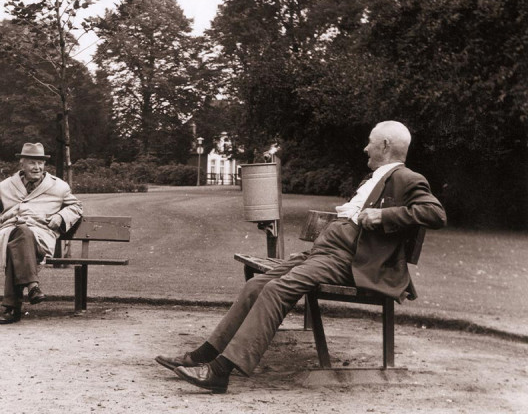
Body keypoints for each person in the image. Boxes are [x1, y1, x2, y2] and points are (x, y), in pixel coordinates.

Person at [156, 121, 446, 393]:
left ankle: (219, 372)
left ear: (385, 146)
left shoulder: (408, 178)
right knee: (256, 286)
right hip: (327, 252)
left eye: (369, 144)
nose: (364, 149)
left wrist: (384, 215)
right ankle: (202, 355)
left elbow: (435, 213)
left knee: (276, 289)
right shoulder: (376, 177)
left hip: (352, 260)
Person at [0, 142, 83, 324]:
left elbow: (76, 207)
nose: (37, 167)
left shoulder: (58, 186)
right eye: (32, 163)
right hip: (11, 233)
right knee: (19, 236)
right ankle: (32, 286)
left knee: (19, 238)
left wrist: (60, 217)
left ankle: (12, 308)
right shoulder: (6, 185)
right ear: (22, 164)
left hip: (39, 239)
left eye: (40, 163)